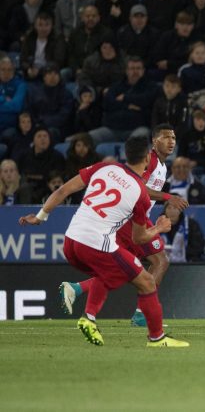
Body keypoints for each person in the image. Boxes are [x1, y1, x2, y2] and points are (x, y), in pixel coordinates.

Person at [19, 136, 187, 348]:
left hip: (71, 241)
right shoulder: (140, 194)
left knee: (109, 272)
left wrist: (40, 217)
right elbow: (139, 238)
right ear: (147, 158)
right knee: (146, 281)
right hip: (97, 245)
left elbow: (63, 190)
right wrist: (159, 228)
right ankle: (157, 338)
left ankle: (88, 313)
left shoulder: (103, 167)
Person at [62, 124, 189, 327]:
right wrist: (168, 196)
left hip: (134, 218)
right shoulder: (151, 162)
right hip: (130, 219)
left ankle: (77, 289)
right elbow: (139, 189)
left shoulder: (162, 167)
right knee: (159, 262)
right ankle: (141, 315)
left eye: (173, 138)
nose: (171, 141)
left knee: (124, 269)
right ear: (155, 142)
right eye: (166, 137)